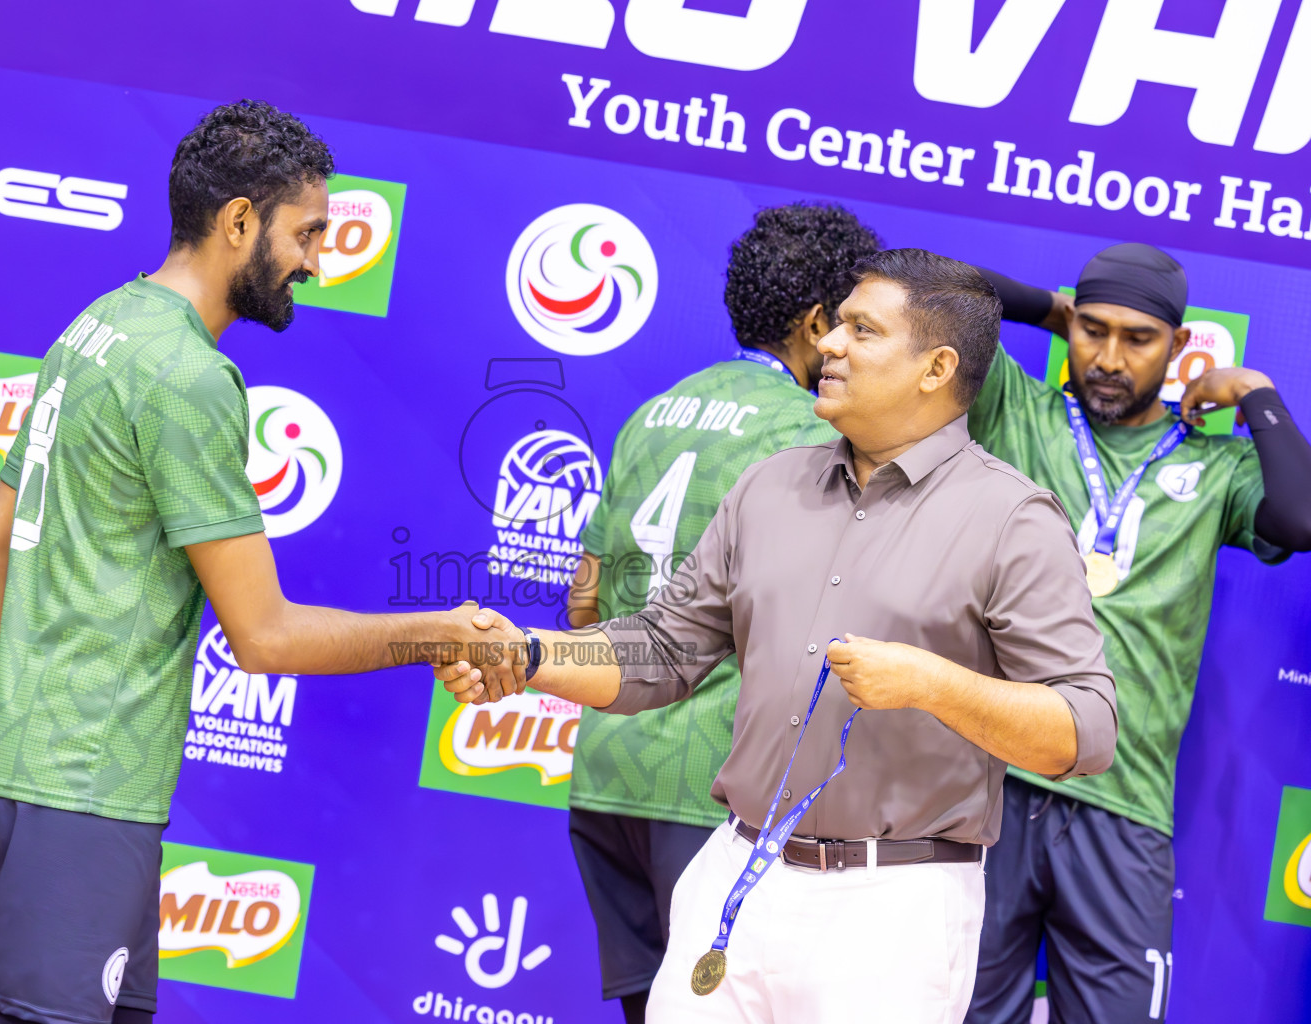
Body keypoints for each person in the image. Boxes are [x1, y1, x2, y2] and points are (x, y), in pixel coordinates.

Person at [439, 249, 1119, 1023]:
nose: (829, 342)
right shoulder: (769, 485)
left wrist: (934, 684)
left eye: (863, 330)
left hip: (892, 910)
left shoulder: (1013, 520)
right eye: (837, 327)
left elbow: (1086, 731)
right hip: (733, 869)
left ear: (936, 368)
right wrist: (530, 655)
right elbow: (663, 650)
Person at [0, 101, 521, 1024]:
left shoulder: (97, 325)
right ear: (237, 224)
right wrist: (440, 631)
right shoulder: (188, 377)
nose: (316, 260)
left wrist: (40, 707)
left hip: (40, 774)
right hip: (88, 794)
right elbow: (262, 637)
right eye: (306, 233)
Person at [967, 244, 1311, 1024]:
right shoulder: (1018, 410)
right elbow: (929, 285)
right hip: (987, 786)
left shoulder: (1218, 469)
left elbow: (1302, 517)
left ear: (1180, 347)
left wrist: (1256, 391)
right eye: (1092, 330)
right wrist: (1050, 309)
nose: (1109, 359)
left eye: (1138, 338)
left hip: (1123, 808)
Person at [565, 203, 879, 1024]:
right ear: (817, 323)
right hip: (710, 793)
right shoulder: (813, 437)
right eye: (849, 323)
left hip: (606, 776)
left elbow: (583, 604)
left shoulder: (654, 412)